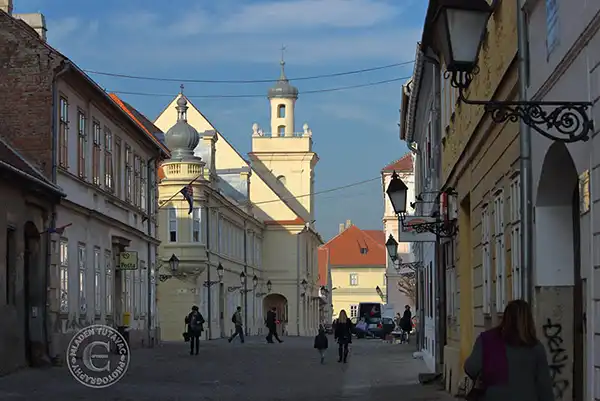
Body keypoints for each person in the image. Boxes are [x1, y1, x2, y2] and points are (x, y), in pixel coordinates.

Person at [464, 299, 553, 401]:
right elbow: (544, 388)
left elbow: (471, 368)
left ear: (506, 317)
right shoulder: (536, 347)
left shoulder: (488, 339)